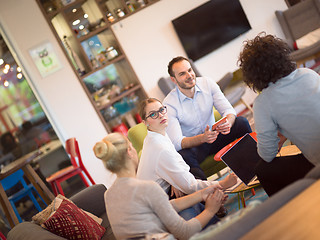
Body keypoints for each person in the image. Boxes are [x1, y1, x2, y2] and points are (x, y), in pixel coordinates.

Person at [93, 133, 225, 240]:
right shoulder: (148, 188)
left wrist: (201, 194)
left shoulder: (109, 195)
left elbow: (160, 207)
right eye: (132, 146)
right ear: (129, 152)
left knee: (193, 204)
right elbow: (184, 233)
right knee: (198, 211)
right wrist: (210, 209)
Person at [238, 33, 319, 196]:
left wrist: (279, 139)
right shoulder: (308, 74)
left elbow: (267, 155)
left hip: (317, 165)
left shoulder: (263, 103)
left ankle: (290, 211)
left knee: (263, 169)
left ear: (252, 74)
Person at [136, 98, 237, 219]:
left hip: (158, 193)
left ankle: (212, 201)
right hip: (153, 209)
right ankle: (212, 204)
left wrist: (173, 181)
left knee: (188, 172)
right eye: (153, 114)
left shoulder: (156, 134)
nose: (161, 115)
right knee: (191, 185)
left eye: (162, 110)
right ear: (145, 123)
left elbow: (175, 166)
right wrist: (222, 184)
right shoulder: (158, 146)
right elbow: (189, 186)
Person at [163, 56, 252, 180]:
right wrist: (202, 138)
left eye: (190, 70)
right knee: (183, 156)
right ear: (174, 79)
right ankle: (208, 196)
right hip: (195, 147)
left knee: (241, 122)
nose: (189, 75)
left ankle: (258, 166)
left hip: (215, 135)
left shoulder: (207, 83)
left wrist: (228, 122)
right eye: (182, 74)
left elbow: (228, 111)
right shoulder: (169, 104)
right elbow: (177, 142)